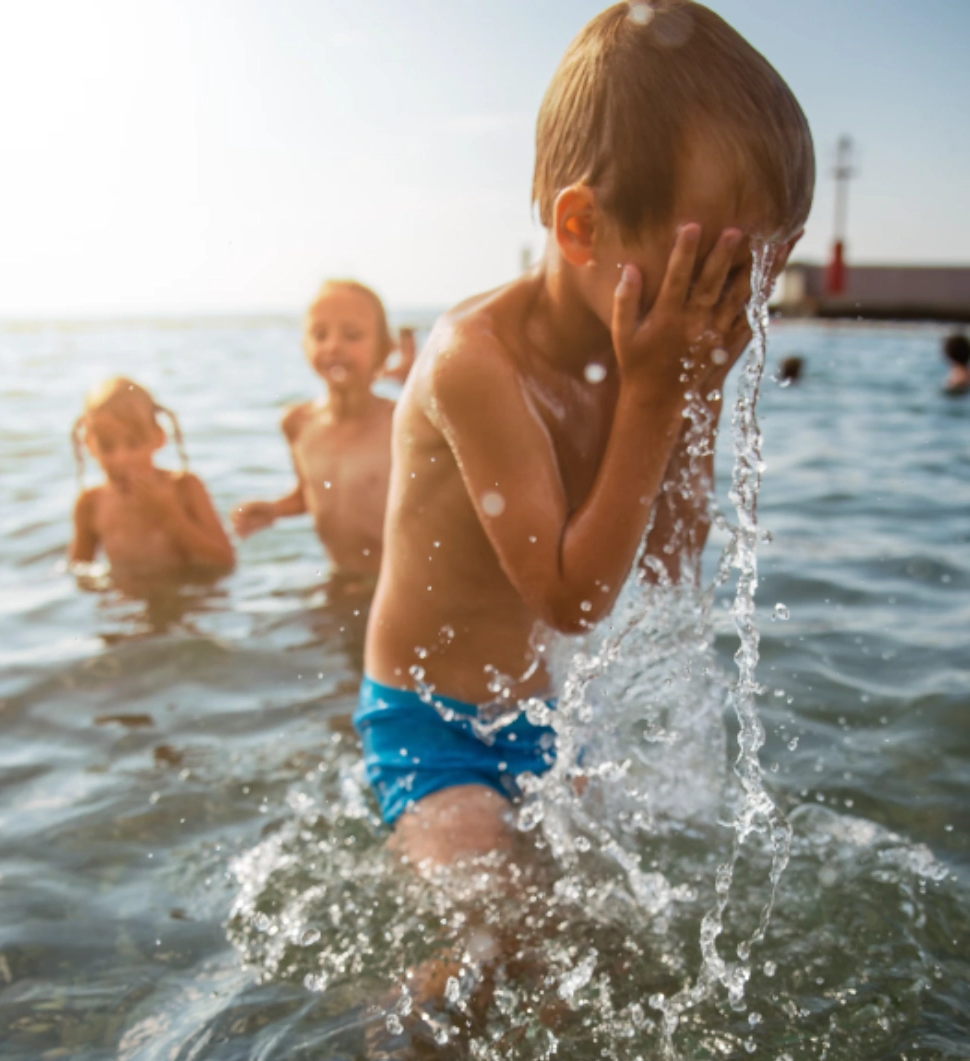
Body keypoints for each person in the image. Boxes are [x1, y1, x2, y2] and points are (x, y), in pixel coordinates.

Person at [355, 0, 814, 870]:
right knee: (489, 917)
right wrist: (656, 396)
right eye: (706, 275)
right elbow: (569, 599)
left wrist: (697, 393)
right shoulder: (475, 361)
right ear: (580, 229)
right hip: (429, 723)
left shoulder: (637, 362)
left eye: (747, 280)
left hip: (541, 715)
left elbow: (669, 562)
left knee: (608, 915)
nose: (723, 308)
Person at [231, 280, 406, 576]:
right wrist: (275, 509)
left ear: (384, 349)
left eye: (352, 335)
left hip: (397, 586)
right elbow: (313, 493)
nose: (333, 346)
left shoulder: (400, 425)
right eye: (319, 334)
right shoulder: (298, 423)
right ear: (304, 346)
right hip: (339, 578)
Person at [69, 377, 234, 575]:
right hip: (125, 594)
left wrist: (170, 514)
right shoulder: (90, 504)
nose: (121, 458)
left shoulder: (185, 487)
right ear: (89, 444)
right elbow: (78, 569)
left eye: (133, 444)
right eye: (107, 446)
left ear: (158, 437)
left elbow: (225, 560)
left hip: (189, 592)